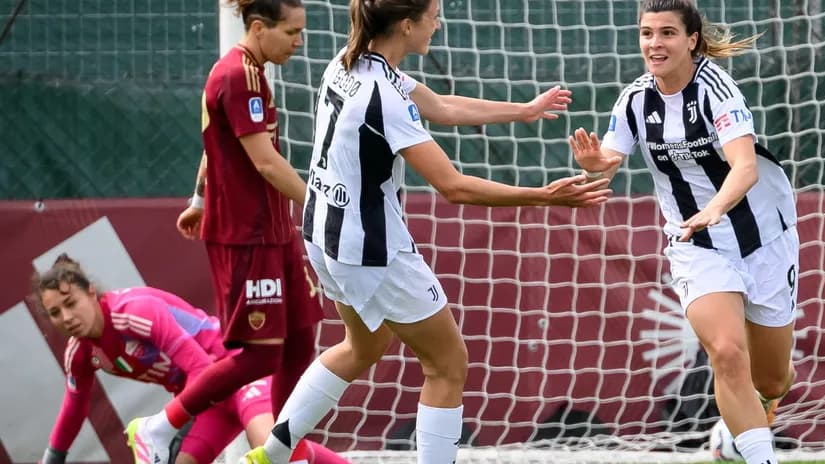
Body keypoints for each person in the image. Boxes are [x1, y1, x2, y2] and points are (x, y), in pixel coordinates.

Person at [237, 0, 612, 462]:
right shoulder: (384, 97)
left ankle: (269, 454)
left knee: (363, 345)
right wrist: (545, 196)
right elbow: (453, 186)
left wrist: (525, 111)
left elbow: (441, 106)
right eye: (434, 14)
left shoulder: (348, 62)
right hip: (372, 249)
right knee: (447, 364)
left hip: (323, 235)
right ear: (408, 24)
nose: (439, 22)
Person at [568, 1, 797, 463]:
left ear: (691, 40)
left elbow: (746, 167)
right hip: (696, 243)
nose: (655, 44)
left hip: (763, 237)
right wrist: (595, 168)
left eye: (667, 33)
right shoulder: (635, 99)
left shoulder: (715, 88)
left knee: (772, 379)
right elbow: (608, 165)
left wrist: (714, 207)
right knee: (727, 352)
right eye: (647, 33)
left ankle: (744, 426)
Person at [127, 1, 325, 463]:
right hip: (246, 238)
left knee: (301, 341)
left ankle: (277, 451)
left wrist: (197, 201)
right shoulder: (237, 75)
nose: (300, 41)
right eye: (293, 32)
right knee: (259, 357)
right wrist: (322, 207)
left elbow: (212, 145)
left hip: (274, 230)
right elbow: (265, 161)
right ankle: (159, 427)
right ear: (259, 27)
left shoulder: (253, 71)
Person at [32, 255, 347, 464]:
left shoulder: (135, 312)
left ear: (91, 292)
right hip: (207, 401)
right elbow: (75, 407)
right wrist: (53, 458)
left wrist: (172, 426)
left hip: (237, 371)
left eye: (71, 303)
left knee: (274, 450)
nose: (67, 317)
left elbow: (202, 369)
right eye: (55, 313)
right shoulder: (80, 352)